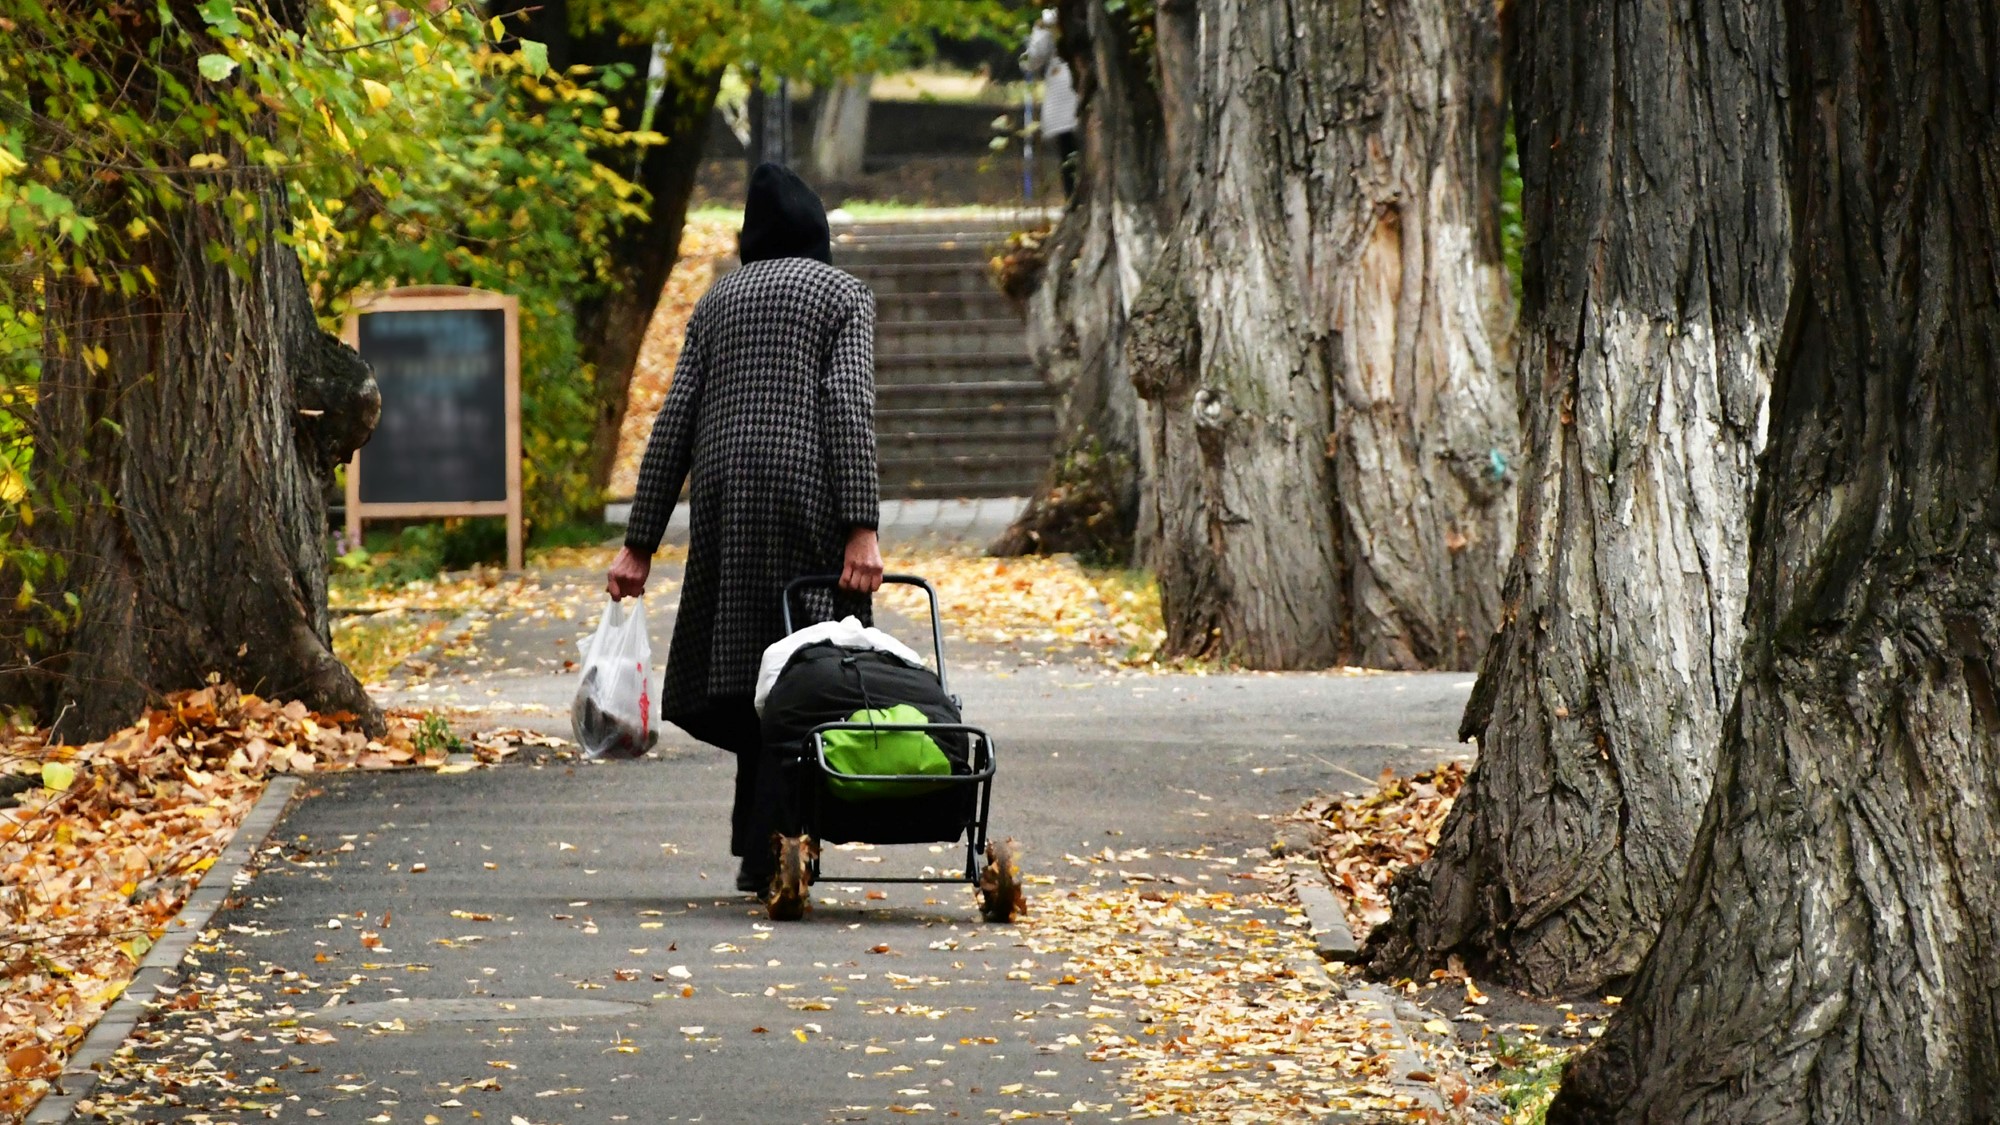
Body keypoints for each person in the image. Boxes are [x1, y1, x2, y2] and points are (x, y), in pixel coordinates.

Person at [606, 163, 884, 894]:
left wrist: (640, 543)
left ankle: (756, 844)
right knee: (809, 663)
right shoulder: (843, 295)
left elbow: (674, 423)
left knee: (750, 663)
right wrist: (861, 526)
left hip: (726, 496)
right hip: (807, 495)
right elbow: (847, 407)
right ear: (816, 233)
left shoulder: (717, 300)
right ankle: (778, 846)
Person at [1021, 8, 1078, 199]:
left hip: (1069, 99)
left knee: (1070, 154)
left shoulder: (1052, 16)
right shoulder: (1053, 15)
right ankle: (1074, 201)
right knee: (1070, 154)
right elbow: (1031, 60)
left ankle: (1073, 200)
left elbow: (1031, 60)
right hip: (1067, 100)